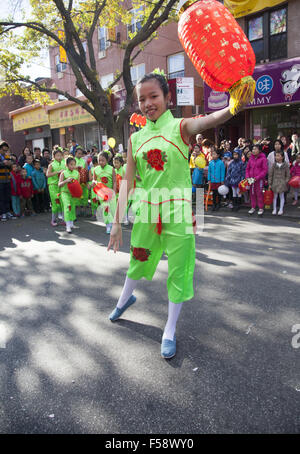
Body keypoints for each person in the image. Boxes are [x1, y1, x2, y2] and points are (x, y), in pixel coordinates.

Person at [107, 71, 252, 359]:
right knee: (138, 258)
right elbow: (128, 181)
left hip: (180, 211)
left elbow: (209, 120)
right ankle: (125, 299)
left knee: (178, 270)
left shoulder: (180, 127)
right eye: (142, 99)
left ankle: (169, 329)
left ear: (167, 98)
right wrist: (116, 223)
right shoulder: (136, 139)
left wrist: (232, 108)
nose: (148, 103)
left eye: (154, 96)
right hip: (148, 211)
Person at [93, 151, 117, 234]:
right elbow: (94, 180)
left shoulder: (111, 169)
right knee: (106, 208)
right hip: (101, 193)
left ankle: (112, 224)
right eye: (99, 160)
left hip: (110, 192)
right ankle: (108, 226)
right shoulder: (96, 169)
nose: (100, 162)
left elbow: (114, 181)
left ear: (107, 160)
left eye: (102, 160)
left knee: (112, 209)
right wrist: (94, 185)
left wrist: (113, 191)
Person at [58, 156, 80, 233]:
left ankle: (71, 223)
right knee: (67, 207)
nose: (73, 166)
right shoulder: (63, 173)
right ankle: (67, 225)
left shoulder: (77, 173)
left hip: (73, 194)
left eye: (74, 164)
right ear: (67, 165)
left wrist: (77, 193)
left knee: (73, 208)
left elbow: (78, 184)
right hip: (65, 193)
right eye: (71, 164)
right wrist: (66, 181)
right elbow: (59, 184)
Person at [246, 144, 268, 216]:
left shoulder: (263, 159)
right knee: (252, 193)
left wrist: (257, 178)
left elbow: (264, 170)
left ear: (259, 150)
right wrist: (248, 177)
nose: (253, 151)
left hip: (259, 180)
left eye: (255, 149)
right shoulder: (251, 158)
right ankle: (253, 207)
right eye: (253, 149)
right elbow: (247, 169)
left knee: (259, 193)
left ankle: (261, 208)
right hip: (251, 179)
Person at [47, 147, 65, 227]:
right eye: (57, 155)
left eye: (61, 155)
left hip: (62, 185)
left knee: (63, 202)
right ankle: (53, 220)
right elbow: (47, 174)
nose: (59, 157)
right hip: (53, 186)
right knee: (55, 203)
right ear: (54, 157)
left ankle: (64, 219)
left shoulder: (64, 163)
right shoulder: (51, 164)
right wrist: (57, 172)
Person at [268, 151, 290, 216]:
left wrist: (286, 181)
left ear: (282, 157)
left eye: (278, 156)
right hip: (275, 182)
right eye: (276, 156)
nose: (276, 157)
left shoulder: (285, 165)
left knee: (281, 196)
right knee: (275, 196)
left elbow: (288, 175)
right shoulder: (274, 165)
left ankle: (281, 209)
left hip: (282, 183)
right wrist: (270, 183)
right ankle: (274, 209)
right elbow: (270, 174)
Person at [0, 140, 13, 222]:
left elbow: (11, 167)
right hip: (0, 180)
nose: (5, 152)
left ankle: (8, 211)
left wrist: (9, 164)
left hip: (7, 179)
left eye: (6, 150)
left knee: (7, 196)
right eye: (3, 150)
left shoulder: (7, 157)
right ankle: (3, 213)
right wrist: (3, 163)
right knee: (1, 197)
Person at [75, 146, 89, 216]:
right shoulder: (73, 160)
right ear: (75, 153)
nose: (80, 155)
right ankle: (78, 211)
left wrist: (86, 180)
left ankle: (84, 211)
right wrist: (76, 168)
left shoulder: (84, 161)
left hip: (83, 181)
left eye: (81, 154)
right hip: (76, 181)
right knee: (77, 196)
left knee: (85, 195)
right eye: (78, 153)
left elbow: (86, 170)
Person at [88, 155, 99, 220]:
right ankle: (94, 213)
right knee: (93, 200)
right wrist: (95, 176)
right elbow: (90, 178)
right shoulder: (91, 170)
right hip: (94, 187)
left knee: (100, 200)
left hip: (100, 186)